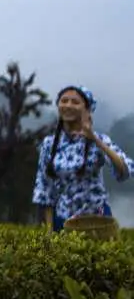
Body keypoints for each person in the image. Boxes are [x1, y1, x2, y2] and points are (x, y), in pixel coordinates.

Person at [32, 85, 130, 231]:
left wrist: (95, 140)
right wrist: (48, 232)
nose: (68, 105)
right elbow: (45, 190)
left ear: (87, 110)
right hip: (63, 220)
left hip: (97, 220)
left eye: (75, 102)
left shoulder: (100, 140)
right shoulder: (49, 144)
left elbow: (123, 169)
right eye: (64, 101)